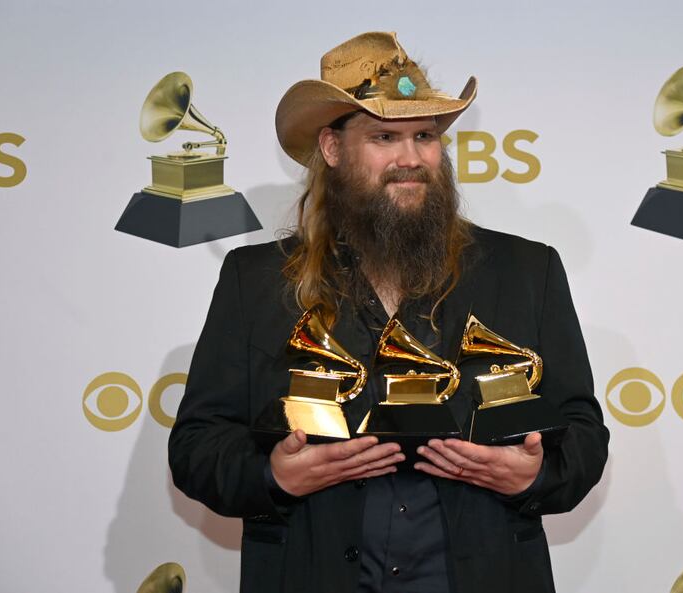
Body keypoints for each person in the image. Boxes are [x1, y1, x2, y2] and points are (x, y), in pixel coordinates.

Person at [169, 31, 609, 593]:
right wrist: (272, 475)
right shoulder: (253, 281)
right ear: (332, 149)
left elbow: (584, 434)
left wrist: (536, 474)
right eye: (384, 137)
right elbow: (196, 446)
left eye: (425, 136)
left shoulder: (527, 270)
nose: (411, 158)